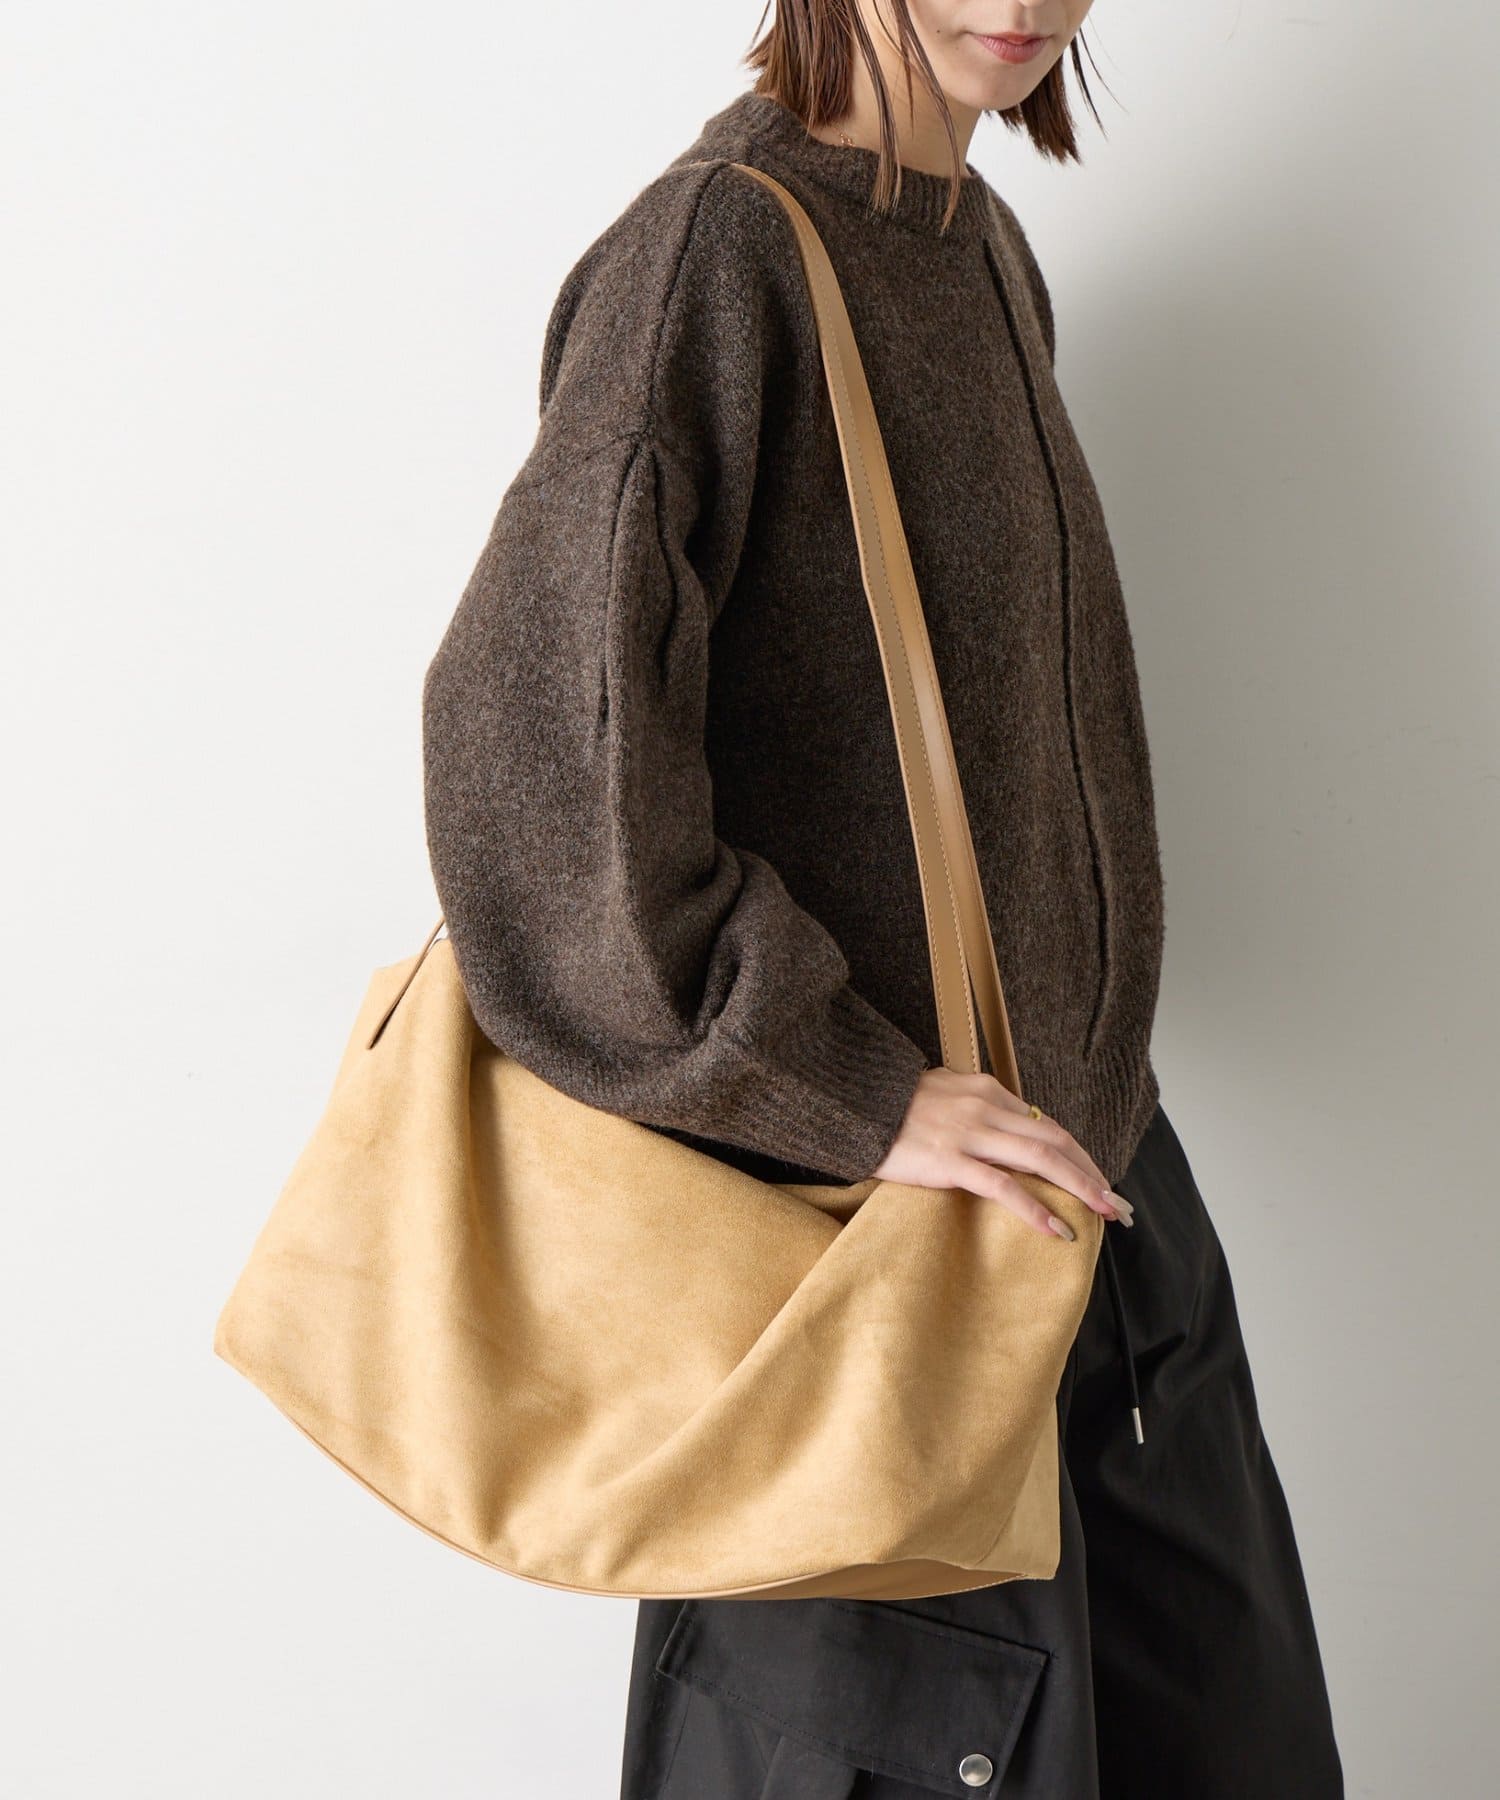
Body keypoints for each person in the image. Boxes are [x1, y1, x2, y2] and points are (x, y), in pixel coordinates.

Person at [420, 3, 1345, 1794]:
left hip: (1102, 1239)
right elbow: (530, 768)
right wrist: (848, 1086)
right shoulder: (716, 258)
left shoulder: (977, 248)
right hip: (860, 1274)